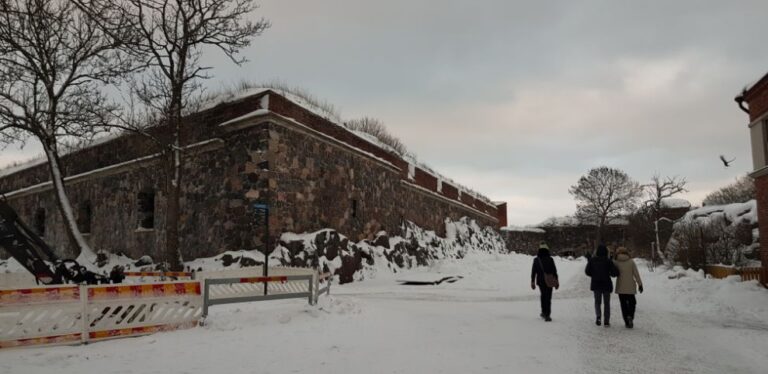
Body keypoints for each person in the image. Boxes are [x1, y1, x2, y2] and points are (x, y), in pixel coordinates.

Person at [585, 244, 618, 327]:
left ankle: (598, 316)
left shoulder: (592, 260)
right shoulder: (608, 261)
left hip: (596, 284)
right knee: (607, 303)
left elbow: (587, 271)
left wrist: (594, 274)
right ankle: (606, 321)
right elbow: (615, 273)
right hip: (606, 284)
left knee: (597, 302)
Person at [613, 247, 644, 328]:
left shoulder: (616, 262)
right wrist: (640, 284)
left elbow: (612, 272)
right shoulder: (631, 261)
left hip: (620, 287)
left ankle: (627, 322)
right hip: (630, 287)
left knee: (623, 305)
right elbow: (636, 274)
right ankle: (630, 316)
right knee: (632, 303)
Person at [531, 242, 559, 322]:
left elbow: (534, 271)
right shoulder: (550, 259)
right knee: (548, 297)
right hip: (549, 280)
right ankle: (548, 315)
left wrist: (532, 281)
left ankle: (543, 312)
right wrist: (556, 281)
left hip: (540, 281)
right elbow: (554, 271)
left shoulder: (536, 260)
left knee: (543, 295)